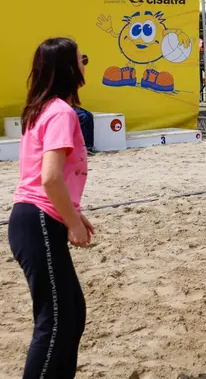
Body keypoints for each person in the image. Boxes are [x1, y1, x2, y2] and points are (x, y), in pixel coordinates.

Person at [8, 37, 95, 378]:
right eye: (81, 59)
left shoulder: (43, 109)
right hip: (38, 220)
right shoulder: (60, 112)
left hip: (37, 217)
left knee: (72, 311)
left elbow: (46, 179)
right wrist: (72, 223)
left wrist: (73, 213)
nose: (85, 65)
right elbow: (49, 179)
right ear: (68, 68)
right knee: (55, 321)